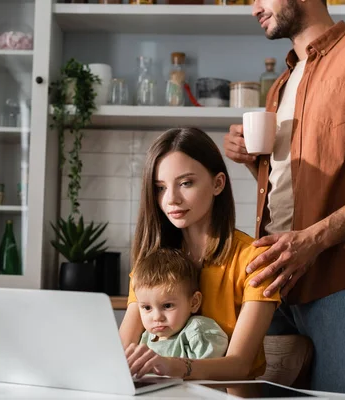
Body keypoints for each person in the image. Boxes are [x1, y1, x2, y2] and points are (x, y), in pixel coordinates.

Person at [223, 0, 345, 395]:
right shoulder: (281, 85)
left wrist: (311, 241)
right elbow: (294, 189)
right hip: (272, 285)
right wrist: (254, 162)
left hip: (343, 281)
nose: (254, 9)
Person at [119, 127, 281, 381]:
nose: (171, 199)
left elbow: (238, 366)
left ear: (218, 183)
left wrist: (175, 367)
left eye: (185, 183)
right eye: (160, 188)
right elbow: (122, 354)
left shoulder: (255, 260)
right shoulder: (150, 263)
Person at [132, 248, 229, 359]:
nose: (157, 317)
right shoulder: (146, 337)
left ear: (194, 303)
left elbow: (207, 370)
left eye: (167, 306)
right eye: (147, 307)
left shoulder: (197, 332)